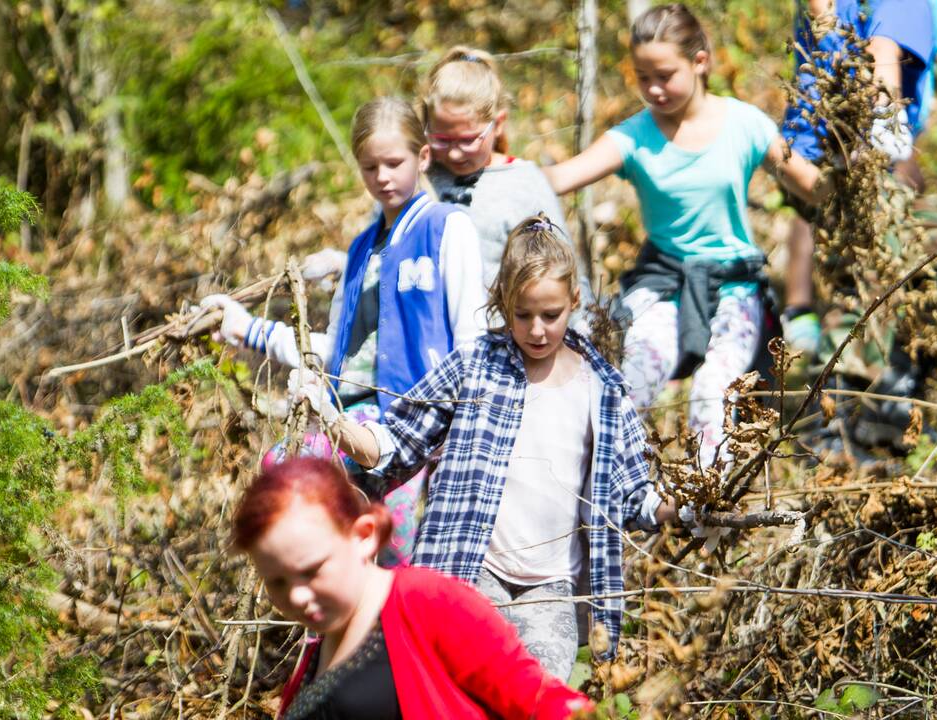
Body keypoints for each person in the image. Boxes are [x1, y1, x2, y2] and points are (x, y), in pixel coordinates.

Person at [289, 216, 677, 678]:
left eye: (550, 315)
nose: (536, 329)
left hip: (553, 589)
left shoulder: (604, 388)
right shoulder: (475, 365)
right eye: (522, 314)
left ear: (574, 300)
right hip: (471, 570)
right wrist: (330, 418)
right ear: (502, 303)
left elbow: (634, 497)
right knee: (462, 685)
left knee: (536, 692)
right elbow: (395, 443)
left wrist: (689, 507)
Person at [543, 3, 830, 469]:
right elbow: (558, 179)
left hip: (735, 287)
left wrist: (853, 166)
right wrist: (491, 171)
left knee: (712, 393)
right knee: (628, 382)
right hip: (665, 285)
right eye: (642, 77)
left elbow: (814, 186)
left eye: (665, 75)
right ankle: (621, 499)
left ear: (700, 62)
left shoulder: (744, 124)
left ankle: (707, 512)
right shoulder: (633, 137)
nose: (653, 89)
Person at [202, 97, 487, 562]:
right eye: (370, 166)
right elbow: (337, 351)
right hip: (349, 419)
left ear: (423, 158)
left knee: (400, 552)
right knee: (283, 467)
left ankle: (394, 625)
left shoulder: (446, 228)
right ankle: (328, 613)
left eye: (394, 163)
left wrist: (461, 431)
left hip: (416, 428)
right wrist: (245, 327)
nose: (383, 177)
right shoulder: (359, 250)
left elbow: (471, 339)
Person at [232, 457, 592, 719]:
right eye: (276, 581)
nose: (296, 595)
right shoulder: (314, 657)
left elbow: (541, 700)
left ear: (364, 535)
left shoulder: (425, 601)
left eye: (311, 570)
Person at [780, 0, 937, 354]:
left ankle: (801, 311)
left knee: (816, 227)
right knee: (866, 273)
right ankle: (850, 376)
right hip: (851, 150)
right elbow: (882, 60)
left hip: (814, 140)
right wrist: (885, 145)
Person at [420, 46, 594, 315]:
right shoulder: (417, 177)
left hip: (501, 339)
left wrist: (583, 335)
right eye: (442, 139)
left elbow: (564, 272)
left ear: (498, 124)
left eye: (468, 140)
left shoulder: (523, 184)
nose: (454, 152)